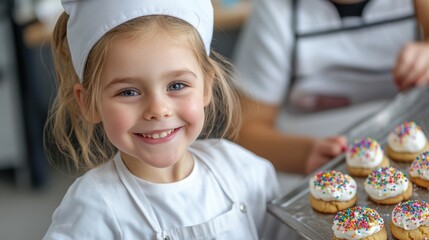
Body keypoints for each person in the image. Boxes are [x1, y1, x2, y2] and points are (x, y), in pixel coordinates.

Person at [42, 0, 289, 239]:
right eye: (128, 92)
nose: (158, 110)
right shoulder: (92, 208)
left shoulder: (247, 172)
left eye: (177, 85)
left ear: (206, 87)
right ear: (89, 103)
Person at [232, 0, 429, 182]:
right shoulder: (277, 10)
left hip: (406, 131)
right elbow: (245, 131)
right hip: (307, 153)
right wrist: (304, 154)